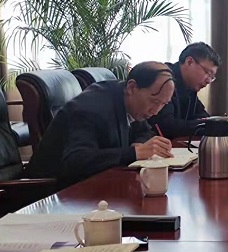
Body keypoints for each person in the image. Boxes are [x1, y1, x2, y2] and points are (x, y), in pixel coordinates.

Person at [26, 62, 175, 186]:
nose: (156, 111)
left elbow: (145, 132)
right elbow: (76, 161)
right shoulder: (90, 108)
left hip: (96, 186)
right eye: (154, 101)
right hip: (51, 195)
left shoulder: (130, 102)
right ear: (132, 87)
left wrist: (139, 144)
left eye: (163, 104)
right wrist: (134, 153)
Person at [149, 42, 218, 138]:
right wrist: (208, 125)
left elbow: (201, 115)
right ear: (189, 62)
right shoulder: (164, 80)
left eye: (212, 77)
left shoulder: (190, 85)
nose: (208, 81)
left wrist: (215, 122)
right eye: (207, 73)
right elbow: (167, 126)